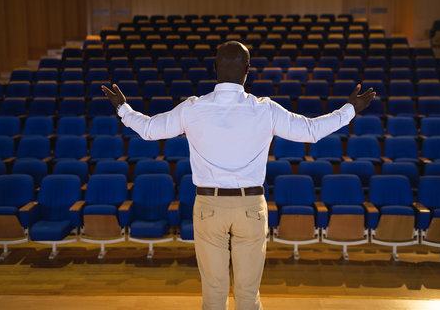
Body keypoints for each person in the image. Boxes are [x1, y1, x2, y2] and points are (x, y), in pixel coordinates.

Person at [103, 41, 375, 310]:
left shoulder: (193, 108)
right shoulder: (265, 109)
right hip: (250, 207)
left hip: (208, 206)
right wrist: (349, 109)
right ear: (248, 70)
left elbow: (149, 130)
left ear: (214, 68)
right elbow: (311, 131)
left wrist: (122, 108)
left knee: (213, 294)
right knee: (248, 295)